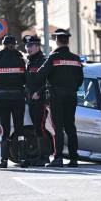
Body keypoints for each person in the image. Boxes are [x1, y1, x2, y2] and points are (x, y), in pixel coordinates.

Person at [35, 29, 84, 167]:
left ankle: (58, 158)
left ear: (57, 41)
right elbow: (80, 79)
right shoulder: (76, 58)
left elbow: (40, 75)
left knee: (58, 128)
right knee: (70, 127)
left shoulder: (53, 57)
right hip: (71, 95)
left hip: (56, 96)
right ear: (67, 41)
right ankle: (74, 159)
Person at [0, 35, 27, 168]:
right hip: (18, 97)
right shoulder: (20, 60)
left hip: (3, 98)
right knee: (20, 129)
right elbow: (25, 80)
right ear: (15, 45)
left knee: (4, 129)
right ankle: (23, 159)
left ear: (3, 45)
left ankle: (4, 160)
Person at [23, 35, 48, 166]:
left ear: (38, 46)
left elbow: (48, 81)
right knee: (36, 128)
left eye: (31, 45)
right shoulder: (29, 62)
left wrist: (39, 92)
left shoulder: (43, 61)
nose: (28, 48)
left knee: (41, 128)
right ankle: (39, 155)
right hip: (31, 101)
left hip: (41, 101)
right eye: (27, 46)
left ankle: (44, 157)